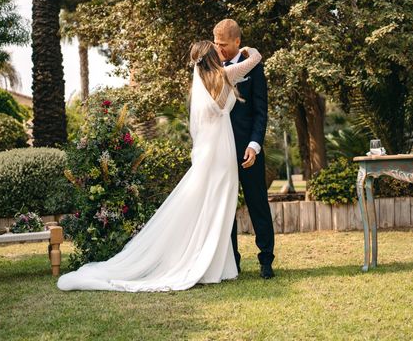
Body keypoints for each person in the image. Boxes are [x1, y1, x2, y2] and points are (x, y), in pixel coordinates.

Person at [57, 40, 262, 292]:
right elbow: (256, 58)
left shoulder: (202, 81)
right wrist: (246, 51)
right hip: (222, 151)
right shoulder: (225, 74)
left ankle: (217, 264)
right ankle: (211, 265)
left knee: (210, 205)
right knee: (218, 205)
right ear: (211, 57)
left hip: (209, 149)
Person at [213, 19, 275, 279]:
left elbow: (261, 112)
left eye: (223, 44)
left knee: (257, 203)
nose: (219, 49)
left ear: (237, 42)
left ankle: (266, 260)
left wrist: (254, 145)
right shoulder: (212, 66)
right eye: (216, 44)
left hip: (247, 150)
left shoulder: (255, 68)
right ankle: (232, 262)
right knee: (226, 208)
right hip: (221, 151)